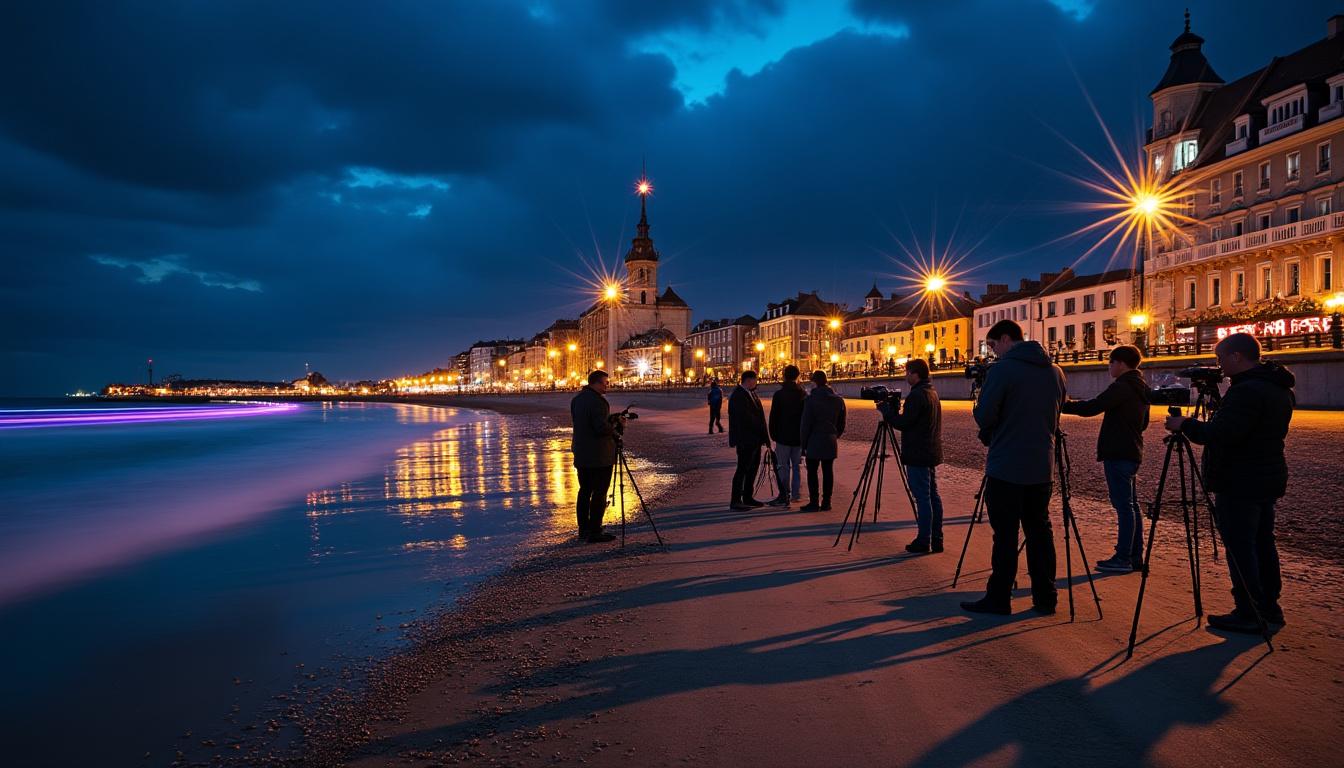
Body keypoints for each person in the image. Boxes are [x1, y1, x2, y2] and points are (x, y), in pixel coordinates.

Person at [1164, 332, 1294, 633]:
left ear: (1237, 357)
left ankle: (1249, 611)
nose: (1218, 365)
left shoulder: (1247, 391)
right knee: (1262, 542)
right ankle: (1269, 607)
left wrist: (1185, 425)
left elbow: (1222, 433)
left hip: (1240, 479)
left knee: (1241, 546)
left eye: (1221, 358)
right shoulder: (1277, 387)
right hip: (1266, 475)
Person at [963, 320, 1066, 615]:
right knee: (1039, 533)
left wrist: (981, 403)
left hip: (1006, 465)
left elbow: (985, 417)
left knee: (1005, 536)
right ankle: (1046, 597)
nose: (993, 352)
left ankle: (999, 597)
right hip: (1041, 467)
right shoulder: (1056, 372)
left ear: (1007, 338)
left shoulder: (1003, 371)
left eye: (994, 345)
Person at [1060, 344, 1150, 573]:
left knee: (1123, 506)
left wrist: (1063, 405)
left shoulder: (1122, 386)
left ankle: (1123, 558)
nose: (1109, 367)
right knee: (1131, 505)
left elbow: (1093, 407)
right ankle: (1134, 555)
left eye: (1110, 362)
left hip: (1118, 451)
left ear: (1120, 363)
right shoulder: (1141, 386)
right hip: (1132, 450)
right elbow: (1145, 423)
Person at [876, 358, 945, 553]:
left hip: (918, 453)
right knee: (933, 496)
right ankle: (937, 538)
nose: (905, 376)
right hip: (931, 451)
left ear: (915, 374)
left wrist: (887, 413)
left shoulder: (917, 395)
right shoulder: (931, 391)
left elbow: (904, 423)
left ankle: (924, 540)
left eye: (907, 373)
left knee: (922, 498)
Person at [570, 370, 623, 543]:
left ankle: (583, 529)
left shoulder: (577, 399)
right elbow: (600, 428)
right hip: (599, 455)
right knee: (599, 492)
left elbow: (582, 424)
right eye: (605, 382)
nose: (607, 385)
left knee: (584, 491)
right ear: (597, 383)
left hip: (581, 453)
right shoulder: (599, 402)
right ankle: (595, 530)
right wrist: (615, 425)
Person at [799, 370, 846, 512]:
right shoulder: (838, 400)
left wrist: (803, 444)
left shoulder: (810, 400)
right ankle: (827, 502)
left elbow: (805, 424)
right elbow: (841, 422)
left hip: (813, 439)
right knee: (828, 471)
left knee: (812, 472)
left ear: (814, 382)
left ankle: (814, 502)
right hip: (830, 439)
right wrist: (835, 434)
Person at [728, 370, 769, 511]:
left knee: (752, 468)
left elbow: (759, 417)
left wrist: (764, 437)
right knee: (742, 469)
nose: (756, 382)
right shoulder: (738, 395)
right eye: (755, 380)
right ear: (748, 380)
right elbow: (743, 419)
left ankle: (747, 496)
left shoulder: (751, 394)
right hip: (745, 439)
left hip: (755, 439)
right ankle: (735, 500)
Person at [767, 365, 806, 507]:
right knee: (796, 466)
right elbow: (805, 418)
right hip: (798, 437)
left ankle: (784, 494)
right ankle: (796, 494)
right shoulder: (802, 393)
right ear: (797, 376)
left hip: (783, 436)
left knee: (783, 466)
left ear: (784, 375)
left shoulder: (779, 394)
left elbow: (774, 416)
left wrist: (773, 434)